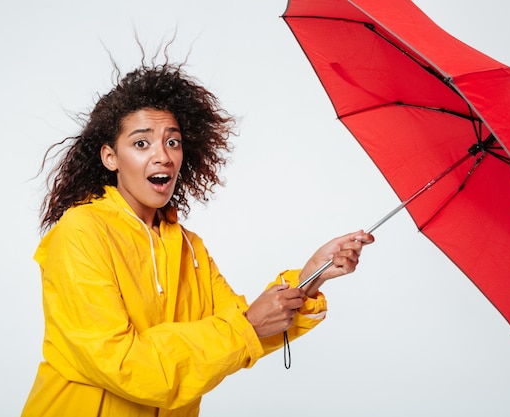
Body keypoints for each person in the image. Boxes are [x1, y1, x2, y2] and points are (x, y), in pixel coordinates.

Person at [22, 59, 374, 417]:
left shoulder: (189, 246)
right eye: (141, 143)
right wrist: (245, 327)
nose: (163, 156)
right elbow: (124, 363)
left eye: (172, 142)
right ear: (110, 157)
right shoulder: (81, 231)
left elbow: (248, 327)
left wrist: (311, 276)